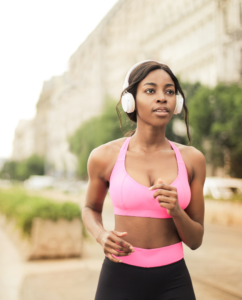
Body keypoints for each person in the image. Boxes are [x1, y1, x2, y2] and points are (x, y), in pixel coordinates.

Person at [82, 60, 206, 300]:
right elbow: (90, 208)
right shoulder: (104, 157)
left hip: (174, 281)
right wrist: (101, 235)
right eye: (151, 90)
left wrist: (177, 211)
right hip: (118, 278)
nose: (162, 98)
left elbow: (196, 240)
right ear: (131, 100)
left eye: (169, 91)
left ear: (177, 103)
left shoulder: (193, 160)